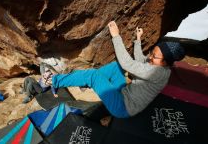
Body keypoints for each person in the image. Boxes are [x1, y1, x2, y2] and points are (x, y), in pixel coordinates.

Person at [50, 21, 185, 118]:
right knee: (116, 67)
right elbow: (141, 61)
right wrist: (138, 40)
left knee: (93, 75)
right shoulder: (158, 66)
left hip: (122, 107)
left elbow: (129, 64)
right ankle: (84, 82)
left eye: (154, 56)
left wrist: (116, 36)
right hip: (124, 93)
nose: (150, 57)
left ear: (166, 62)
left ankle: (52, 80)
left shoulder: (158, 73)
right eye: (152, 52)